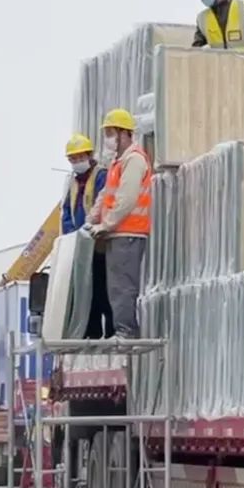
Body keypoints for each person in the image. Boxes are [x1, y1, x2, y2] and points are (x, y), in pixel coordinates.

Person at [87, 108, 152, 339]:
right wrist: (92, 219)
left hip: (129, 233)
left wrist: (107, 224)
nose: (108, 139)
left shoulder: (134, 160)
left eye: (110, 133)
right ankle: (122, 329)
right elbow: (105, 195)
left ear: (124, 133)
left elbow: (127, 197)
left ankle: (126, 331)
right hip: (118, 233)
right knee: (115, 287)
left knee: (123, 286)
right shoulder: (118, 162)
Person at [62, 133, 114, 339]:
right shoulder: (74, 183)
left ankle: (111, 332)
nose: (76, 162)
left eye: (79, 158)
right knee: (86, 292)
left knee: (104, 289)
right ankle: (91, 332)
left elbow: (104, 203)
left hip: (99, 242)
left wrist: (91, 228)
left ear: (89, 155)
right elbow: (67, 211)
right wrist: (71, 235)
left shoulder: (100, 175)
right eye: (72, 159)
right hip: (81, 245)